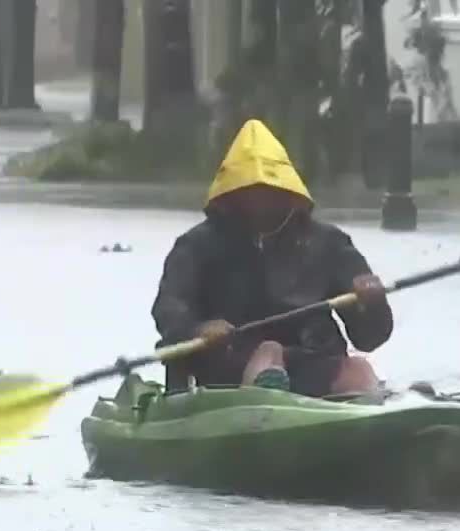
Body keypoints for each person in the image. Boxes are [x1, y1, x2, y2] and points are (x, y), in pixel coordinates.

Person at [151, 119, 392, 398]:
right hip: (230, 366)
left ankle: (362, 409)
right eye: (249, 192)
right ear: (232, 195)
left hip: (313, 362)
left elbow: (369, 338)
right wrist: (198, 329)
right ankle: (267, 398)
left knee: (359, 370)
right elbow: (169, 306)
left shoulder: (329, 243)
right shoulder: (197, 245)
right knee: (269, 353)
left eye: (270, 192)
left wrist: (373, 305)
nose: (261, 201)